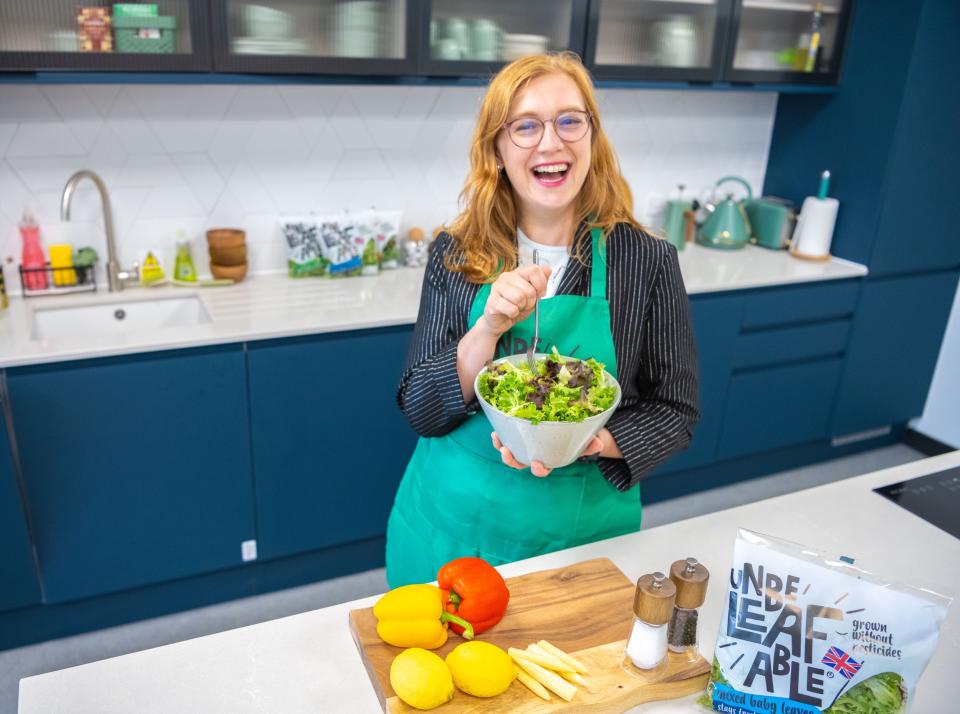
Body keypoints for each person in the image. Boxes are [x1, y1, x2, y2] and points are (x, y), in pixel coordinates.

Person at [386, 52, 698, 587]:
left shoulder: (645, 261)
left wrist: (586, 441)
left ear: (592, 138)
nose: (550, 142)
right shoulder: (457, 254)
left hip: (575, 535)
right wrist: (486, 328)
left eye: (569, 121)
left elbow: (676, 409)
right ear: (497, 150)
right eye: (525, 126)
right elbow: (419, 407)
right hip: (453, 527)